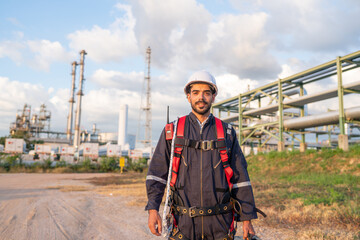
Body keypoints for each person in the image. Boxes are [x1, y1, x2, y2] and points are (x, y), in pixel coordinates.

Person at [146, 70, 259, 240]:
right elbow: (157, 173)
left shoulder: (227, 133)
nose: (201, 97)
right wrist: (153, 210)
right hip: (182, 225)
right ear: (188, 97)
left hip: (220, 224)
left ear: (213, 97)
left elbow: (240, 177)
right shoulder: (173, 131)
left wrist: (247, 218)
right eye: (196, 93)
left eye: (207, 93)